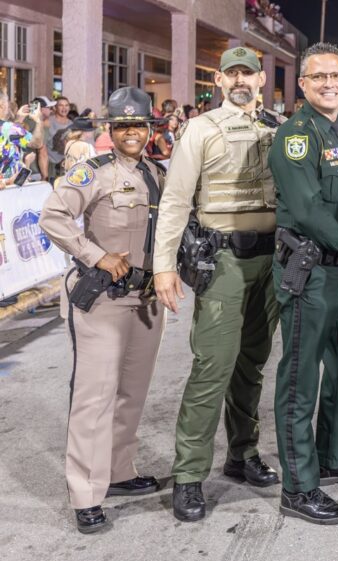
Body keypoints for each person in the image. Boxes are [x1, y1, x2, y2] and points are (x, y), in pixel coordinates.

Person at [153, 47, 282, 522]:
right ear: (220, 80)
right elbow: (175, 200)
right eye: (233, 74)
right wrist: (163, 265)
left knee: (253, 365)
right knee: (213, 366)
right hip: (223, 259)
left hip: (270, 260)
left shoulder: (278, 128)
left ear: (262, 79)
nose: (240, 80)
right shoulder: (201, 129)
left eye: (248, 73)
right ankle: (189, 475)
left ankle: (242, 454)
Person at [38, 86, 166, 534]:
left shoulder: (157, 173)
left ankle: (119, 471)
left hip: (145, 300)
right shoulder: (92, 171)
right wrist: (96, 256)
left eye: (139, 125)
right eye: (123, 125)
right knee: (94, 397)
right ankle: (86, 493)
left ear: (149, 129)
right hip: (104, 299)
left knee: (132, 392)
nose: (132, 132)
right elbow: (53, 217)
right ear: (111, 129)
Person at [268, 42, 338, 526]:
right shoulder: (296, 136)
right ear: (303, 84)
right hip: (311, 271)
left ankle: (334, 456)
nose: (328, 83)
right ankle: (298, 487)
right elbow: (308, 208)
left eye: (336, 75)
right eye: (318, 77)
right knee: (300, 379)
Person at [46, 96, 72, 178]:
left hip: (66, 165)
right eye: (61, 105)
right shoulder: (48, 122)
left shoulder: (72, 124)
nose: (64, 108)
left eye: (66, 105)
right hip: (50, 164)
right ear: (55, 107)